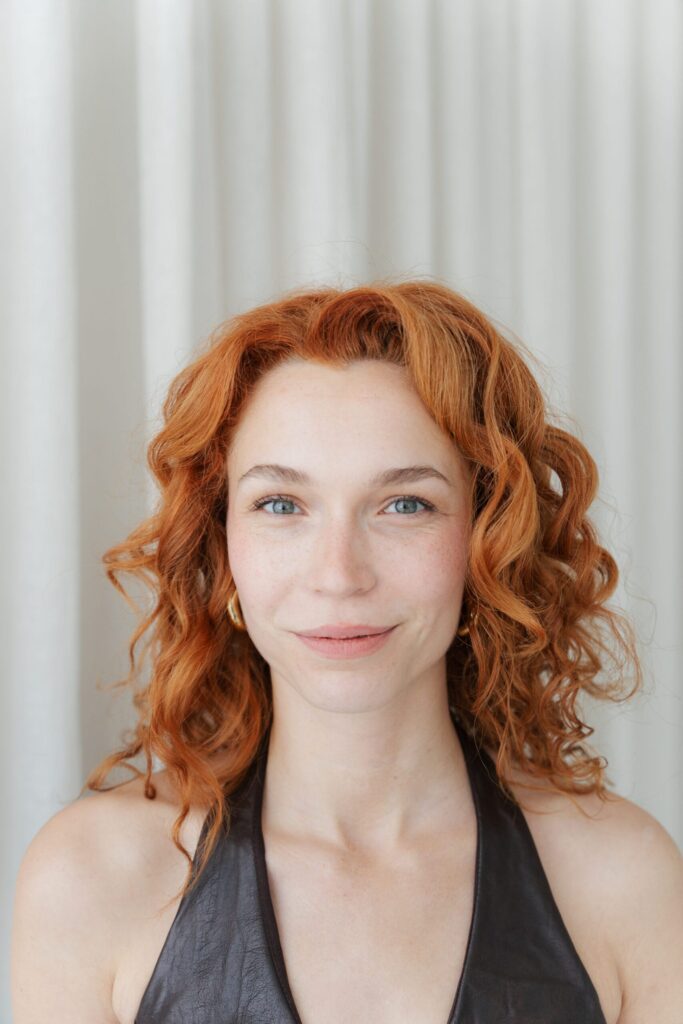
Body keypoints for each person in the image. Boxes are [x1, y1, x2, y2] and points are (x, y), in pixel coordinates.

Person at [11, 280, 683, 1023]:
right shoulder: (91, 881)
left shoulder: (623, 882)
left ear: (488, 541)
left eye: (405, 504)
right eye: (280, 504)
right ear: (221, 544)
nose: (338, 575)